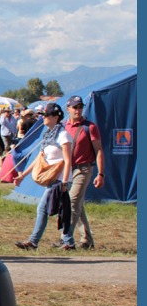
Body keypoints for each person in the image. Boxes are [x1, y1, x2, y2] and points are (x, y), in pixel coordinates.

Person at [13, 103, 73, 250]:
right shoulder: (47, 134)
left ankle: (33, 242)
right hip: (51, 179)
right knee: (61, 210)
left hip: (59, 180)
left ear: (55, 117)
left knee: (42, 209)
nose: (43, 118)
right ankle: (69, 242)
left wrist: (65, 182)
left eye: (46, 115)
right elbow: (39, 159)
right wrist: (23, 176)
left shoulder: (63, 135)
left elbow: (68, 160)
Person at [58, 95, 104, 250]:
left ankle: (65, 239)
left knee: (72, 202)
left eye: (80, 107)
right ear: (68, 109)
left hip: (84, 168)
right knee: (78, 205)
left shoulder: (90, 127)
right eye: (75, 107)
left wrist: (101, 173)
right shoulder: (63, 127)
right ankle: (87, 240)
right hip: (67, 169)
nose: (78, 110)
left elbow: (99, 151)